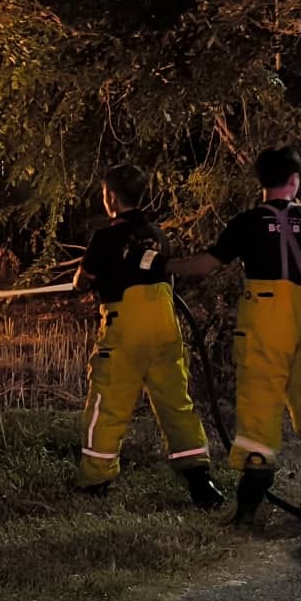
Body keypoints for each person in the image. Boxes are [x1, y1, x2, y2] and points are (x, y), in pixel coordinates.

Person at [169, 147, 301, 525]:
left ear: (261, 182)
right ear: (295, 181)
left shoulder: (246, 222)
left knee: (259, 404)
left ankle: (248, 509)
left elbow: (205, 265)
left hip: (265, 318)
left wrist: (163, 266)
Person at [73, 164, 225, 509]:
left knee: (107, 403)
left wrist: (82, 279)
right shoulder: (158, 234)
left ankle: (96, 480)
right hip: (165, 326)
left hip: (126, 327)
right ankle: (201, 481)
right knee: (176, 404)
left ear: (110, 197)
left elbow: (83, 280)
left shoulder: (105, 237)